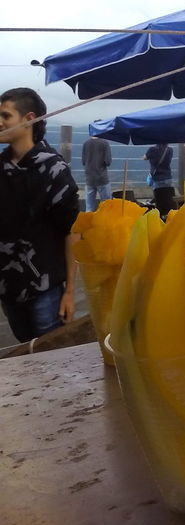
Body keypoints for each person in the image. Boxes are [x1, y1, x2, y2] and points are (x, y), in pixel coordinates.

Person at [0, 88, 80, 343]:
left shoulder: (53, 169)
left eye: (5, 115)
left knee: (51, 357)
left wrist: (70, 291)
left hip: (45, 287)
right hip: (7, 286)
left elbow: (71, 230)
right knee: (26, 353)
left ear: (28, 119)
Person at [144, 141, 176, 217]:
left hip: (157, 178)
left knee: (159, 198)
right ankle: (168, 214)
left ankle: (160, 215)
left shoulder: (152, 149)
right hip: (168, 177)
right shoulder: (170, 150)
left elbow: (145, 158)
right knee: (167, 197)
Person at [82, 134, 112, 211]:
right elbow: (108, 162)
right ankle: (104, 222)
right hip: (102, 178)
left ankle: (88, 222)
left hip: (89, 178)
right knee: (106, 205)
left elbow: (83, 161)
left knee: (89, 206)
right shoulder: (105, 143)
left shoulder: (86, 143)